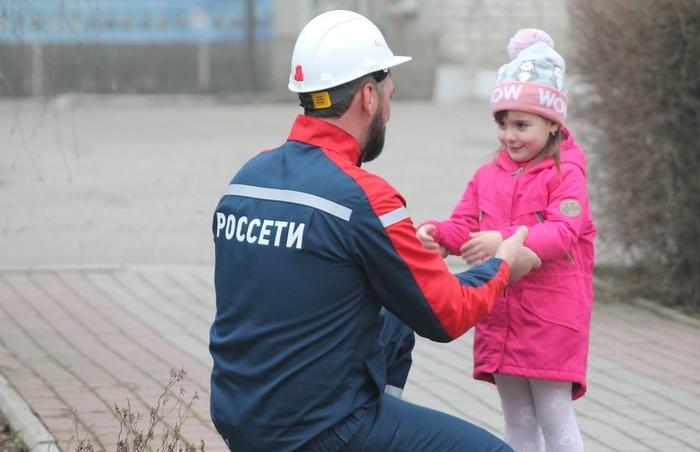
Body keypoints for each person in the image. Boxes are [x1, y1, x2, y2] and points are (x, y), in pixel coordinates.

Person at [208, 10, 540, 452]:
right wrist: (502, 266)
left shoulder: (247, 178)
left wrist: (410, 259)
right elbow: (446, 316)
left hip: (240, 417)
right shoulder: (362, 196)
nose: (390, 107)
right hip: (318, 429)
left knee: (397, 319)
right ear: (368, 96)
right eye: (389, 94)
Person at [416, 28, 596, 451]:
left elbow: (564, 231)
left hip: (551, 317)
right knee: (517, 418)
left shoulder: (566, 174)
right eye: (502, 123)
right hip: (501, 316)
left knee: (554, 415)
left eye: (522, 124)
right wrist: (439, 235)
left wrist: (505, 240)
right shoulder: (488, 175)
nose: (509, 135)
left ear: (553, 124)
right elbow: (464, 224)